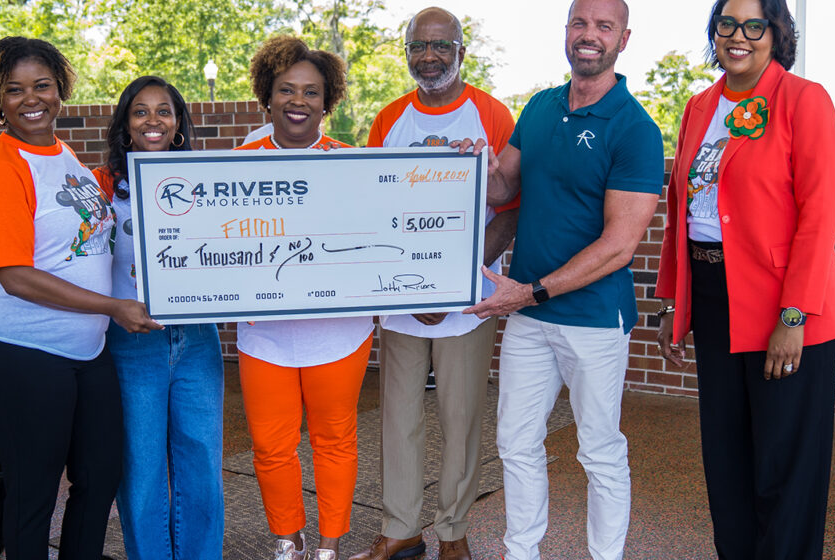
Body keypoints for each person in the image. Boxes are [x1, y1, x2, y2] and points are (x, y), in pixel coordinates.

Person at [462, 0, 663, 558]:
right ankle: (521, 551)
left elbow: (619, 246)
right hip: (528, 313)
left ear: (624, 39)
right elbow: (503, 191)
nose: (589, 35)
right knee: (516, 443)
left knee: (599, 450)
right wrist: (475, 167)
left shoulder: (635, 129)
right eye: (580, 23)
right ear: (566, 32)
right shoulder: (542, 107)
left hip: (592, 319)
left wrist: (528, 292)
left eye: (604, 26)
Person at [653, 0, 835, 557]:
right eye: (727, 24)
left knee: (786, 469)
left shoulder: (803, 101)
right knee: (727, 461)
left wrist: (794, 317)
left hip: (785, 309)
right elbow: (683, 210)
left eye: (754, 25)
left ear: (776, 33)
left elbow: (818, 217)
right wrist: (676, 302)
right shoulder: (700, 106)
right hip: (716, 300)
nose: (739, 37)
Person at [0, 36, 161, 559]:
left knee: (99, 478)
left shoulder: (63, 154)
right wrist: (114, 307)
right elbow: (15, 275)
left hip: (84, 351)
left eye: (42, 85)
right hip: (16, 350)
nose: (32, 99)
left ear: (60, 88)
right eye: (14, 89)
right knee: (34, 491)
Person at [350, 7, 518, 560]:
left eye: (441, 46)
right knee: (397, 417)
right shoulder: (389, 119)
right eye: (419, 46)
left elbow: (511, 210)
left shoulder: (492, 115)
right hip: (402, 300)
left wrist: (454, 281)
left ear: (461, 52)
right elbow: (373, 209)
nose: (430, 56)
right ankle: (400, 527)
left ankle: (454, 530)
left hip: (466, 301)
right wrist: (407, 289)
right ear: (408, 52)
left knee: (461, 417)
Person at [236, 35, 372, 560]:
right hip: (264, 334)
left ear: (327, 100)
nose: (298, 101)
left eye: (312, 92)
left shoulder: (355, 164)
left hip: (338, 333)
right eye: (286, 90)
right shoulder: (237, 164)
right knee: (271, 448)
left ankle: (329, 547)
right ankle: (287, 542)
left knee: (334, 443)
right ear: (266, 97)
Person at [92, 76, 225, 560]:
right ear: (126, 125)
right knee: (142, 469)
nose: (153, 121)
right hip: (131, 341)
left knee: (202, 463)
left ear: (178, 123)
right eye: (140, 111)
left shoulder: (206, 182)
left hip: (196, 339)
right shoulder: (104, 186)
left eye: (163, 111)